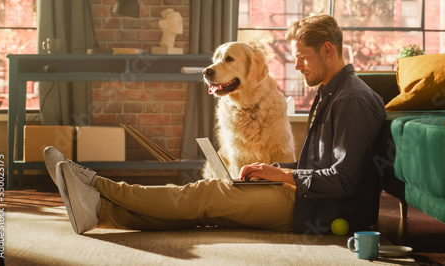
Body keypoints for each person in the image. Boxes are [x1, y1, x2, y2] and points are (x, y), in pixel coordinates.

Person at [44, 14, 386, 235]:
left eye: (303, 58)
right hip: (306, 197)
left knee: (207, 194)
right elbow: (321, 166)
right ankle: (103, 212)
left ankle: (98, 186)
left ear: (328, 50)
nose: (297, 66)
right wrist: (276, 168)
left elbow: (344, 180)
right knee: (204, 209)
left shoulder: (351, 100)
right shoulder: (333, 92)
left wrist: (283, 175)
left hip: (318, 209)